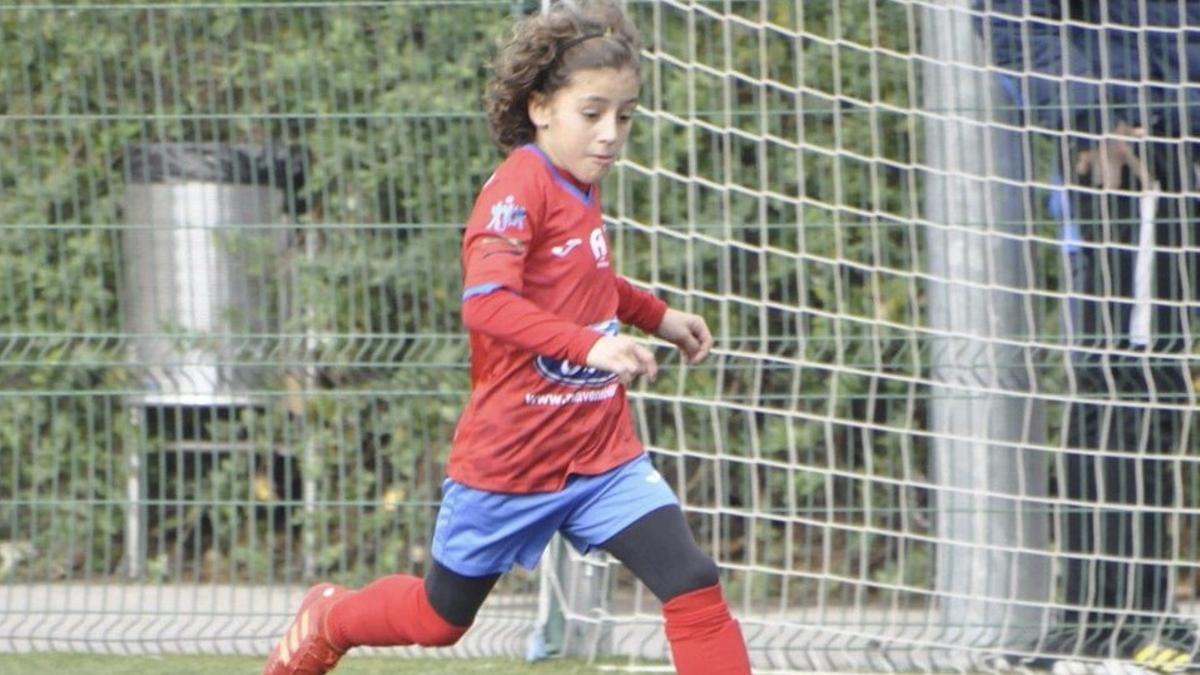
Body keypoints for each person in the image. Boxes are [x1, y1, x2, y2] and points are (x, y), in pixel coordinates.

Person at [261, 2, 753, 674]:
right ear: (540, 107)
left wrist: (655, 315)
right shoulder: (518, 187)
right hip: (511, 464)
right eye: (593, 113)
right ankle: (330, 616)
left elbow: (587, 279)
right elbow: (488, 303)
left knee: (692, 578)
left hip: (600, 456)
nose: (611, 134)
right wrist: (591, 346)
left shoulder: (581, 186)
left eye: (625, 115)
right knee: (437, 619)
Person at [976, 0, 1200, 670]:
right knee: (1125, 375)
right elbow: (1014, 22)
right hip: (1133, 156)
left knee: (1156, 380)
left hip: (1179, 135)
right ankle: (1104, 622)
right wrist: (1102, 115)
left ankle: (1135, 617)